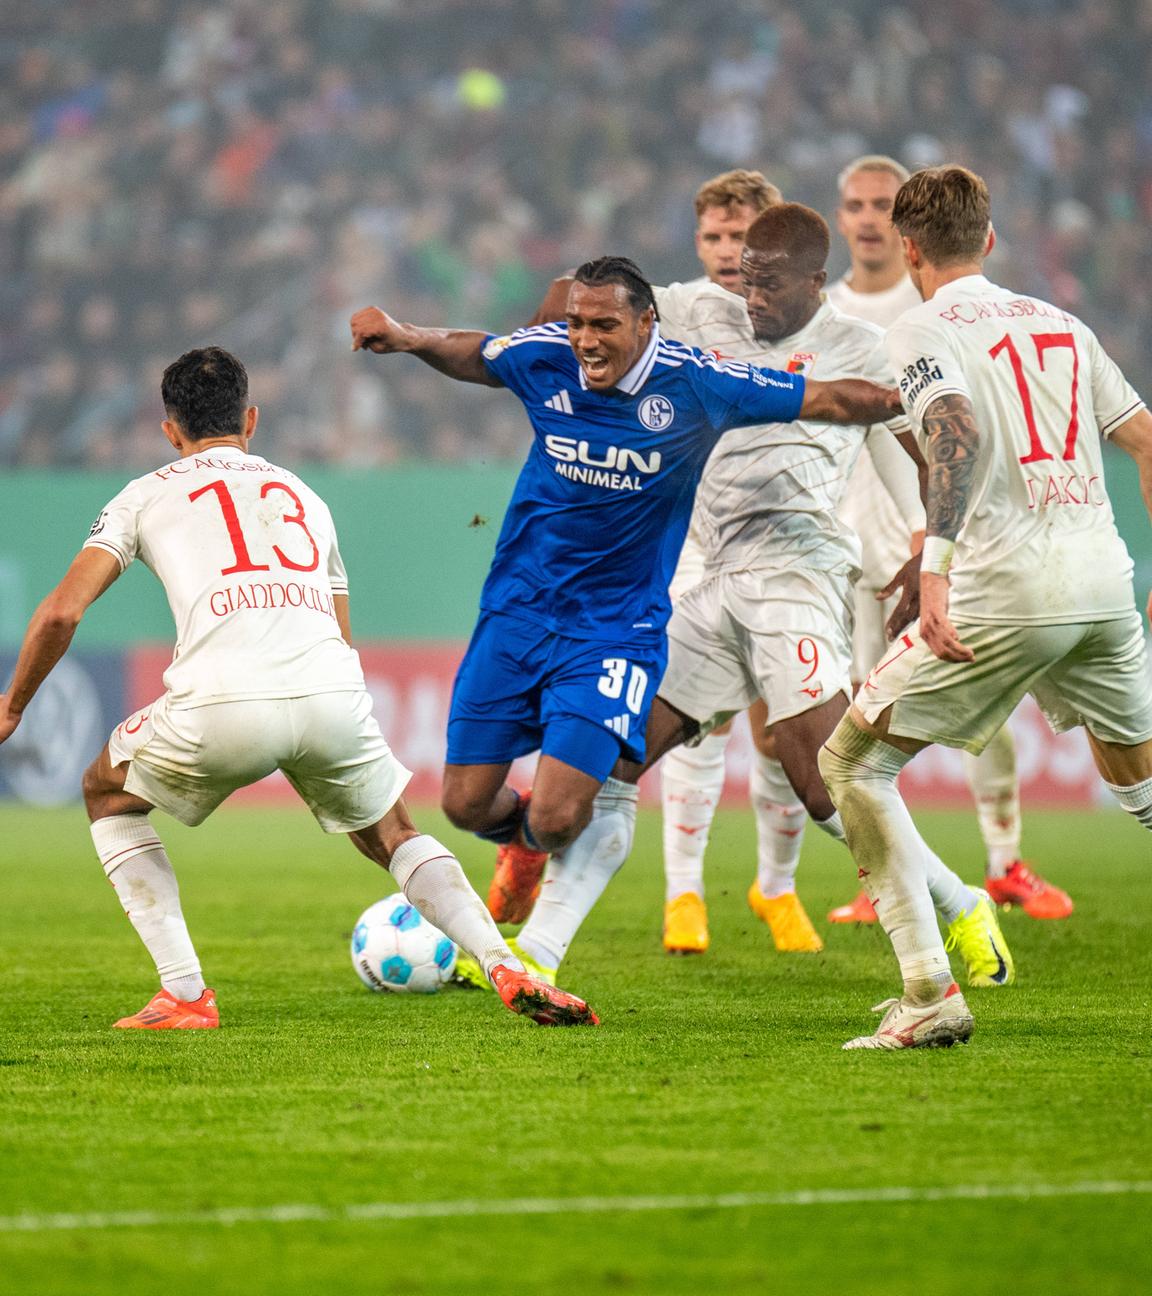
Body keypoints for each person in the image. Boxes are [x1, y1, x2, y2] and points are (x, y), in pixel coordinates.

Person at [0, 347, 597, 1029]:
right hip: (331, 695)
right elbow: (341, 635)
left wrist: (14, 704)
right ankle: (504, 964)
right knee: (393, 832)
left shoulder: (146, 492)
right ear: (251, 419)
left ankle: (186, 994)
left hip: (223, 700)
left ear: (170, 431)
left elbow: (60, 612)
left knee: (106, 791)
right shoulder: (305, 497)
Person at [351, 255, 902, 989]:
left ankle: (547, 873)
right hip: (516, 615)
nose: (584, 339)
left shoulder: (700, 382)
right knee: (461, 805)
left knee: (555, 817)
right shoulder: (546, 357)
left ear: (647, 323)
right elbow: (479, 353)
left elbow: (830, 400)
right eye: (577, 322)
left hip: (612, 631)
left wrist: (916, 400)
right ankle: (522, 851)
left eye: (604, 324)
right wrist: (408, 336)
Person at [612, 205, 1014, 996]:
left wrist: (930, 556)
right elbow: (599, 310)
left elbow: (936, 453)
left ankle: (951, 905)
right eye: (732, 263)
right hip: (706, 565)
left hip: (799, 572)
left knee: (821, 777)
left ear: (809, 279)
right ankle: (556, 936)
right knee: (619, 748)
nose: (743, 282)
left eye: (759, 271)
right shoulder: (699, 313)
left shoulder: (864, 349)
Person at [818, 166, 1152, 1050]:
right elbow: (1147, 437)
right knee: (1145, 789)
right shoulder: (1062, 323)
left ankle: (928, 992)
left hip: (1006, 588)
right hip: (1104, 587)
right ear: (991, 240)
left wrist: (935, 571)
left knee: (851, 765)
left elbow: (953, 434)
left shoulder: (920, 327)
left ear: (911, 248)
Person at [825, 155, 1073, 925]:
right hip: (853, 542)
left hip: (941, 540)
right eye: (856, 204)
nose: (868, 217)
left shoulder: (944, 300)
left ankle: (1006, 864)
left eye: (880, 204)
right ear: (841, 217)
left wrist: (932, 534)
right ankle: (893, 876)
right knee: (870, 716)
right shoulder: (825, 314)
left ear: (906, 233)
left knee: (985, 703)